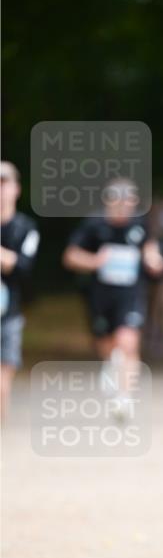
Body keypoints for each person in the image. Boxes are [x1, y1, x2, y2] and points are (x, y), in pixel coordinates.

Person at [62, 178, 163, 412]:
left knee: (128, 342)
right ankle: (110, 364)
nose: (122, 207)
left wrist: (154, 259)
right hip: (100, 296)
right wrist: (94, 261)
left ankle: (124, 398)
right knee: (106, 344)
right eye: (117, 202)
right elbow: (70, 256)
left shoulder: (140, 225)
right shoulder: (93, 225)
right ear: (108, 202)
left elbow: (150, 247)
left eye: (127, 202)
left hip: (130, 294)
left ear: (134, 202)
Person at [0, 161, 40, 418]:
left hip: (9, 311)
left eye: (4, 182)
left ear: (17, 188)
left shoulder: (26, 227)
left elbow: (24, 267)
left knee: (3, 375)